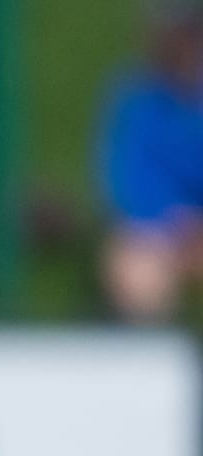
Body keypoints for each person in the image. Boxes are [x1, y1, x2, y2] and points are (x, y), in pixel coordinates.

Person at [99, 0, 203, 323]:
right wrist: (176, 221)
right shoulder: (134, 97)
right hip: (156, 234)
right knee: (139, 273)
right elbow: (125, 183)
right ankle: (155, 348)